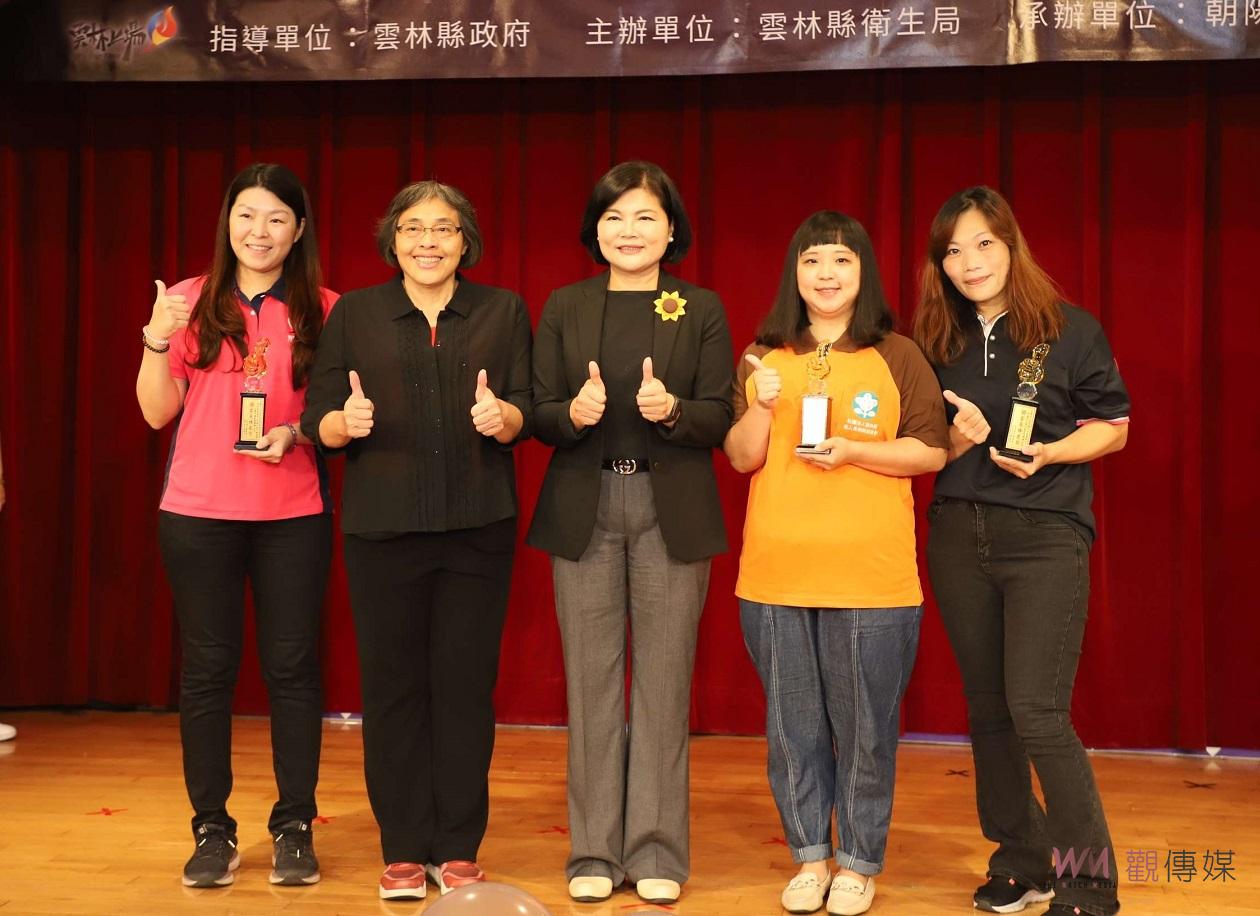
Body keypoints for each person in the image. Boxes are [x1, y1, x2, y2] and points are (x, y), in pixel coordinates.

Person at [301, 180, 532, 901]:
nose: (427, 241)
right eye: (412, 228)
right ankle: (402, 848)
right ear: (392, 240)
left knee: (464, 689)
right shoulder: (356, 313)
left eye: (443, 228)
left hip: (478, 529)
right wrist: (342, 425)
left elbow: (528, 407)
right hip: (383, 529)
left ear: (466, 241)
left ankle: (457, 846)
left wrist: (504, 419)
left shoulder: (502, 310)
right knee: (393, 689)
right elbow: (317, 417)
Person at [912, 186, 1129, 916]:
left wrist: (1049, 453)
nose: (969, 262)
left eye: (983, 244)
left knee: (1037, 709)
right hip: (957, 534)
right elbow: (925, 451)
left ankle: (1088, 881)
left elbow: (1114, 426)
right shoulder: (934, 338)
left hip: (1045, 536)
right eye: (953, 251)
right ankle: (1021, 860)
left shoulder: (1069, 328)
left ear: (1010, 245)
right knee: (988, 710)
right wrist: (955, 441)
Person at [725, 211, 947, 915]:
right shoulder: (764, 355)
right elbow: (741, 457)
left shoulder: (897, 354)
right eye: (813, 260)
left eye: (842, 261)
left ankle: (857, 861)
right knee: (792, 730)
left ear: (863, 273)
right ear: (794, 273)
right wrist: (761, 405)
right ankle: (810, 857)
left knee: (865, 731)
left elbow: (930, 450)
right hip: (775, 574)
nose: (827, 274)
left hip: (871, 577)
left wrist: (853, 452)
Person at [527, 161, 733, 906]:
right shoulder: (566, 305)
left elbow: (720, 415)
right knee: (591, 686)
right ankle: (592, 851)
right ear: (596, 229)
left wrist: (672, 410)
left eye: (646, 216)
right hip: (585, 505)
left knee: (663, 686)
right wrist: (572, 415)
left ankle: (656, 851)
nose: (629, 231)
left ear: (671, 229)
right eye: (614, 217)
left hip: (668, 506)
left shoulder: (698, 307)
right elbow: (538, 410)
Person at [135, 163, 337, 888]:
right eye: (247, 215)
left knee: (292, 670)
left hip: (293, 515)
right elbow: (156, 412)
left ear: (299, 230)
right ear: (227, 222)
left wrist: (298, 433)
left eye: (277, 218)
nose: (260, 231)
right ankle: (212, 829)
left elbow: (336, 417)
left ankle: (294, 825)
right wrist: (157, 340)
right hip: (197, 513)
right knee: (208, 672)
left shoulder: (327, 308)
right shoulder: (186, 301)